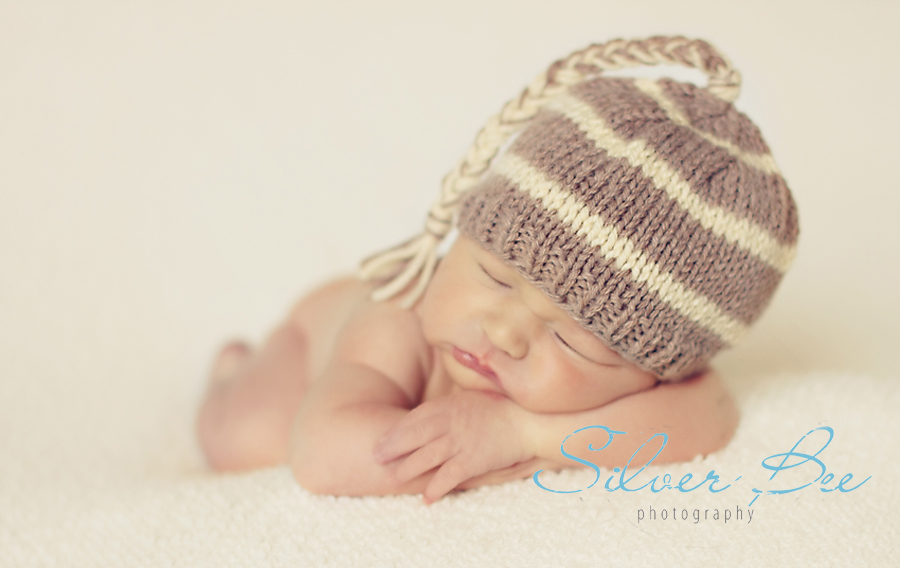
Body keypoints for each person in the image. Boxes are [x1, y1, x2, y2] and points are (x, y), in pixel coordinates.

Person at [196, 36, 798, 504]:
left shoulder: (663, 387)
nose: (506, 331)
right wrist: (479, 457)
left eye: (571, 339)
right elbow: (323, 452)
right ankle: (234, 370)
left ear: (651, 375)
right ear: (460, 237)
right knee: (251, 441)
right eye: (494, 276)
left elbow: (709, 415)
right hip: (313, 350)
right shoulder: (397, 324)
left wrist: (521, 434)